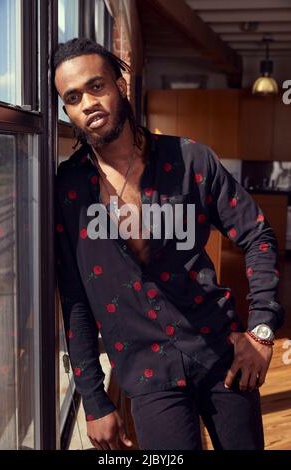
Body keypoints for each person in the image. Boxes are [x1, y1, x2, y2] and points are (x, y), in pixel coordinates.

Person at [53, 38, 284, 450]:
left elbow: (258, 234)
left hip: (221, 352)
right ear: (67, 111)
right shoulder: (70, 190)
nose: (87, 102)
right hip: (146, 372)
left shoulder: (190, 160)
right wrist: (93, 399)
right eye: (72, 97)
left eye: (96, 86)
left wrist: (262, 332)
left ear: (120, 86)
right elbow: (74, 298)